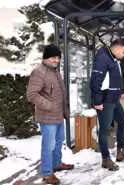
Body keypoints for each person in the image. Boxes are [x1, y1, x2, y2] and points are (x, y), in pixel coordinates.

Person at [26, 44, 74, 184]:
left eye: (58, 57)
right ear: (46, 57)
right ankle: (47, 173)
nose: (56, 60)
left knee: (58, 142)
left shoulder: (54, 70)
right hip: (48, 116)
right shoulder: (39, 72)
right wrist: (49, 105)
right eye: (53, 57)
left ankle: (57, 164)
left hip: (58, 115)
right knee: (49, 145)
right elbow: (31, 94)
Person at [89, 39, 124, 171]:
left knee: (123, 123)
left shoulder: (114, 59)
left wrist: (121, 92)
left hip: (114, 100)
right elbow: (95, 82)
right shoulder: (103, 59)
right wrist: (97, 102)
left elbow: (115, 79)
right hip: (105, 101)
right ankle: (105, 159)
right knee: (104, 131)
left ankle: (120, 151)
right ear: (117, 48)